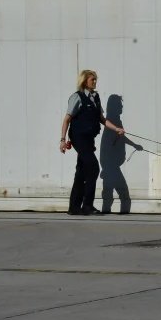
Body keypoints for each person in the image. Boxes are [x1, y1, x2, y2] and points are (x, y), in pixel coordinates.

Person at [60, 70, 125, 216]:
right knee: (93, 168)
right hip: (78, 137)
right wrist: (63, 140)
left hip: (89, 139)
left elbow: (102, 119)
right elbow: (66, 119)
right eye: (92, 80)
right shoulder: (77, 97)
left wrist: (116, 129)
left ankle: (74, 207)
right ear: (84, 81)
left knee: (81, 171)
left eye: (95, 80)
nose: (95, 82)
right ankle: (87, 205)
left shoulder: (95, 98)